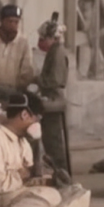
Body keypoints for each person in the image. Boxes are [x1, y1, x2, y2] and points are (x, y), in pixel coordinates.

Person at [33, 13, 70, 175]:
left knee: (54, 141)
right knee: (49, 140)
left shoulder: (58, 53)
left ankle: (61, 174)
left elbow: (55, 80)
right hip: (51, 99)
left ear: (52, 38)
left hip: (54, 100)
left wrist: (37, 79)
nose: (40, 42)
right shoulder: (53, 51)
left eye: (43, 39)